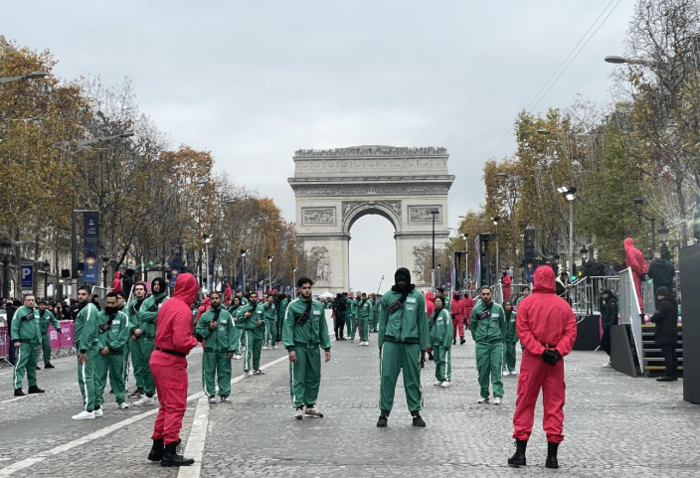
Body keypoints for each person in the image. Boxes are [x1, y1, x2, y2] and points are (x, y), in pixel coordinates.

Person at [509, 266, 577, 470]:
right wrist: (557, 351)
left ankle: (520, 453)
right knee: (555, 404)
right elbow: (571, 331)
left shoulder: (525, 303)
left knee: (525, 402)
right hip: (555, 361)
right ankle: (552, 457)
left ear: (535, 279)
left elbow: (523, 331)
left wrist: (540, 350)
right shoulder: (563, 305)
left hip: (533, 359)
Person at [148, 273, 198, 467]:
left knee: (166, 405)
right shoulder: (184, 310)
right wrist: (194, 340)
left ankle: (157, 447)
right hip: (171, 360)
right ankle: (170, 449)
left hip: (158, 357)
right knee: (176, 406)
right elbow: (181, 342)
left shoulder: (168, 304)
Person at [377, 267, 428, 428]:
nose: (401, 283)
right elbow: (382, 322)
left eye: (403, 280)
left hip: (411, 343)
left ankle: (416, 413)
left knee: (413, 380)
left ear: (408, 279)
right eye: (398, 280)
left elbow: (423, 323)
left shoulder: (418, 297)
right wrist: (380, 346)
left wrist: (423, 349)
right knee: (387, 379)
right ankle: (384, 413)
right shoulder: (387, 297)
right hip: (391, 343)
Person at [283, 277, 331, 419]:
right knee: (298, 377)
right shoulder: (292, 306)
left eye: (309, 287)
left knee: (314, 377)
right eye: (304, 288)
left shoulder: (318, 306)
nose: (307, 290)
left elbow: (323, 327)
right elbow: (288, 326)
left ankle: (310, 405)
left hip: (314, 347)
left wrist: (326, 347)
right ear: (298, 289)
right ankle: (298, 406)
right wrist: (290, 348)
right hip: (299, 346)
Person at [195, 291, 239, 403]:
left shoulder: (226, 315)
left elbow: (232, 332)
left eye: (217, 298)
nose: (214, 300)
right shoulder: (205, 316)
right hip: (210, 349)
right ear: (210, 300)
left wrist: (232, 349)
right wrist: (209, 328)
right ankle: (211, 395)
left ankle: (224, 394)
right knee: (209, 373)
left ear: (220, 300)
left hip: (224, 350)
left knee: (224, 372)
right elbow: (198, 333)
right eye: (212, 298)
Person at [133, 277, 168, 407]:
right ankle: (148, 394)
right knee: (148, 367)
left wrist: (152, 316)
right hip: (148, 338)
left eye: (159, 284)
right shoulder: (147, 301)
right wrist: (158, 315)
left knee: (164, 367)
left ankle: (165, 393)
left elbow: (167, 316)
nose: (156, 286)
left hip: (162, 337)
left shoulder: (167, 301)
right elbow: (142, 315)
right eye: (155, 284)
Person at [94, 292, 132, 411]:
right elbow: (93, 333)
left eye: (112, 303)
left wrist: (111, 347)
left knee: (117, 377)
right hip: (101, 353)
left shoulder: (122, 317)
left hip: (116, 352)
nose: (110, 305)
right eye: (108, 303)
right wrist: (100, 347)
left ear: (117, 302)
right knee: (99, 377)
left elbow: (124, 334)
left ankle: (121, 399)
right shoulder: (98, 316)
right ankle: (98, 401)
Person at [469, 286, 506, 404]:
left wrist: (500, 338)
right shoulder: (476, 310)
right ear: (480, 295)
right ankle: (484, 394)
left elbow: (503, 325)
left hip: (495, 343)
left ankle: (498, 394)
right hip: (482, 344)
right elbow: (472, 325)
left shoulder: (498, 309)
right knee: (483, 370)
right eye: (483, 294)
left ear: (492, 295)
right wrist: (477, 338)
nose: (485, 296)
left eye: (488, 294)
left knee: (496, 368)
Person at [72, 286, 101, 419]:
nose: (80, 296)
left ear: (90, 296)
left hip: (87, 347)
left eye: (83, 294)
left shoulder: (89, 309)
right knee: (91, 377)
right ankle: (96, 407)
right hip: (88, 346)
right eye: (79, 294)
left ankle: (88, 409)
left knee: (85, 378)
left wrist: (83, 349)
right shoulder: (86, 309)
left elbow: (88, 330)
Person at [11, 294, 43, 396]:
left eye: (33, 300)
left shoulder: (36, 312)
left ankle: (32, 386)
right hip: (24, 343)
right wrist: (15, 340)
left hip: (34, 343)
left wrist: (39, 341)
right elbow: (14, 325)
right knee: (20, 365)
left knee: (32, 365)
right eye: (29, 300)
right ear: (24, 301)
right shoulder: (20, 311)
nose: (31, 302)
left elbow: (38, 328)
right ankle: (18, 387)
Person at [650, 286, 679, 382]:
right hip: (672, 331)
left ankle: (668, 374)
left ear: (660, 295)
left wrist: (651, 318)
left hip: (664, 332)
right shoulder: (672, 303)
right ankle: (674, 374)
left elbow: (657, 317)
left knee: (667, 354)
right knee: (672, 353)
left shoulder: (663, 304)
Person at [127, 282, 148, 399]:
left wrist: (140, 331)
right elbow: (127, 320)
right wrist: (133, 330)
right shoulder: (131, 306)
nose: (139, 291)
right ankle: (140, 387)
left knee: (146, 363)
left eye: (141, 289)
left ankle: (148, 387)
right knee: (136, 363)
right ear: (134, 292)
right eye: (137, 289)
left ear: (145, 291)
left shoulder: (149, 304)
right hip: (134, 338)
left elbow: (149, 320)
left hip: (145, 338)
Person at [428, 296, 453, 388]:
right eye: (436, 301)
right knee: (437, 361)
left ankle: (446, 378)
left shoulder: (445, 313)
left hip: (443, 342)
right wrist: (429, 342)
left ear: (442, 303)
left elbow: (449, 328)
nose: (437, 303)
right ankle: (439, 377)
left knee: (444, 360)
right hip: (435, 342)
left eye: (439, 301)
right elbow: (429, 327)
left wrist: (447, 342)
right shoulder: (433, 314)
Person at [240, 292, 265, 376]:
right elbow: (239, 319)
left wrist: (262, 322)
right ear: (249, 298)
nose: (253, 298)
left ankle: (256, 368)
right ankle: (246, 368)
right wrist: (245, 316)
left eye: (255, 297)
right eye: (252, 297)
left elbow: (264, 319)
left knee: (257, 351)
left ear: (257, 298)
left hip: (258, 332)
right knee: (248, 351)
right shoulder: (244, 308)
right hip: (249, 331)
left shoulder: (261, 308)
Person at [624, 237, 648, 314]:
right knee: (639, 293)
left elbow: (634, 264)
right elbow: (644, 263)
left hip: (634, 273)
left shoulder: (630, 251)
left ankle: (639, 312)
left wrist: (638, 272)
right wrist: (643, 272)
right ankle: (641, 311)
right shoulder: (638, 251)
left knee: (636, 293)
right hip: (638, 274)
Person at [36, 300, 61, 369]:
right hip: (37, 335)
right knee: (37, 349)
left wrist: (58, 328)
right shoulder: (35, 313)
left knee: (47, 348)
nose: (42, 306)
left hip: (45, 334)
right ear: (38, 305)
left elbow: (54, 321)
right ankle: (34, 364)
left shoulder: (49, 313)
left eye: (43, 305)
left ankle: (47, 363)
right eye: (41, 305)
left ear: (46, 306)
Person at [599, 289, 618, 368]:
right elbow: (603, 312)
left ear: (607, 294)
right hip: (607, 325)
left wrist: (610, 323)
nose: (602, 296)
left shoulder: (612, 301)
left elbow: (614, 313)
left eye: (603, 294)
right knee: (607, 343)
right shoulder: (606, 302)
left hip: (610, 326)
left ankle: (614, 358)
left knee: (605, 343)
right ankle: (612, 358)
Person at [502, 300, 518, 376]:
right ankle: (503, 368)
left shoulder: (515, 315)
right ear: (504, 306)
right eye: (506, 305)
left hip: (511, 338)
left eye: (509, 305)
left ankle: (512, 368)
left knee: (512, 354)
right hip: (503, 338)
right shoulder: (501, 315)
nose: (508, 306)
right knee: (503, 353)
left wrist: (515, 339)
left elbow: (517, 328)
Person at [5, 299, 18, 365]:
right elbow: (11, 322)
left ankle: (13, 357)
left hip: (13, 330)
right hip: (12, 330)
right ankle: (12, 359)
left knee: (13, 345)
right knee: (12, 345)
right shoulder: (10, 311)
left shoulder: (12, 310)